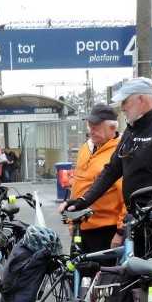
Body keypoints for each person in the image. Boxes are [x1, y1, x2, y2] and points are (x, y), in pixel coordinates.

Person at [63, 77, 152, 302]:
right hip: (139, 216)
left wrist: (151, 209)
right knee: (136, 279)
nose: (121, 109)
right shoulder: (131, 130)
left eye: (125, 103)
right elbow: (111, 171)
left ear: (141, 99)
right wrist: (83, 201)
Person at [62, 103, 127, 264]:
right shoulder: (86, 148)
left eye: (96, 127)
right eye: (89, 127)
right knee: (76, 279)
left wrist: (120, 232)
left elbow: (126, 196)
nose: (91, 131)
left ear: (112, 129)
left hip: (105, 232)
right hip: (81, 228)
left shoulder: (119, 153)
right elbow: (77, 185)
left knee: (101, 282)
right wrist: (72, 221)